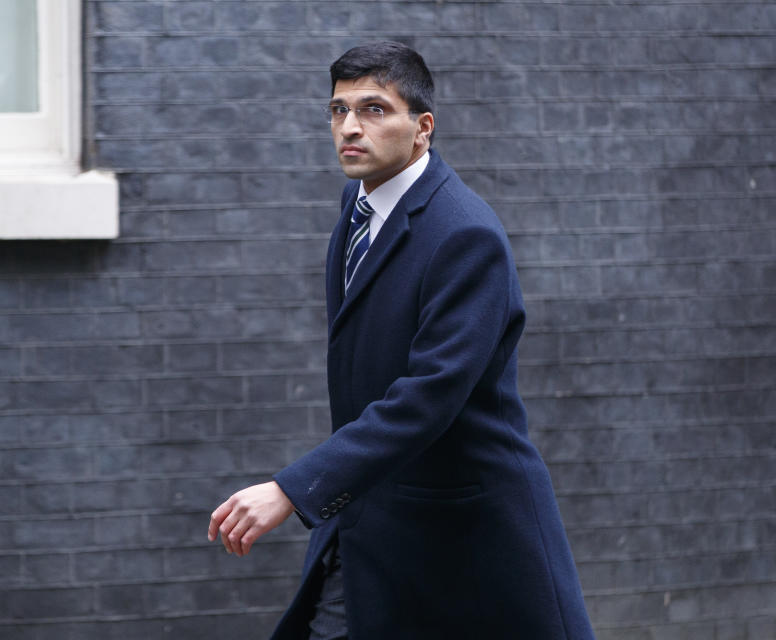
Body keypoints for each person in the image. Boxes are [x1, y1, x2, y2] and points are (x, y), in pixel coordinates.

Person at [209, 41, 596, 640]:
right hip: (376, 520)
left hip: (464, 532)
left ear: (423, 128)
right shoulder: (359, 206)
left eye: (373, 110)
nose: (350, 128)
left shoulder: (465, 235)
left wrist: (291, 488)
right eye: (338, 111)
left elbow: (428, 397)